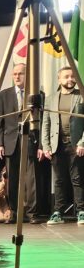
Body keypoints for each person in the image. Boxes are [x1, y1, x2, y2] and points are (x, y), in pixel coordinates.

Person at [41, 66, 84, 225]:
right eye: (66, 76)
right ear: (59, 79)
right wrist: (46, 145)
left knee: (77, 178)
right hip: (56, 144)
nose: (70, 79)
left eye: (72, 76)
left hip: (76, 144)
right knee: (59, 180)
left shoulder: (81, 96)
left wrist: (82, 142)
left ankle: (81, 211)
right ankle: (58, 212)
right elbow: (46, 123)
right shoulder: (51, 99)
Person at [0, 63, 38, 223]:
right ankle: (13, 212)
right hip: (10, 142)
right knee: (12, 179)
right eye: (14, 74)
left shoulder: (36, 94)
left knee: (30, 180)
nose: (17, 76)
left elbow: (41, 121)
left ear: (27, 75)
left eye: (21, 73)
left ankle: (31, 213)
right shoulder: (4, 95)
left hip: (30, 140)